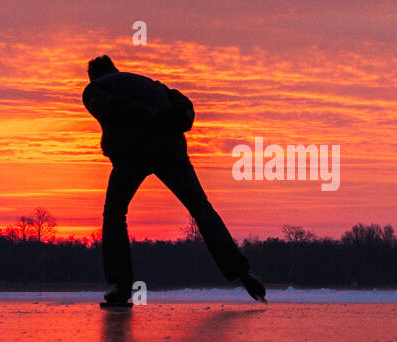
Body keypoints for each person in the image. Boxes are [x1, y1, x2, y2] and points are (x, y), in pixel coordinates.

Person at [82, 54, 267, 308]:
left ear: (92, 76)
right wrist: (167, 120)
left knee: (114, 213)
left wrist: (150, 120)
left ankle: (120, 286)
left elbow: (114, 108)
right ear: (116, 69)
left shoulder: (94, 89)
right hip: (171, 150)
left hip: (133, 154)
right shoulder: (150, 83)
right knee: (201, 208)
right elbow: (182, 102)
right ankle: (240, 269)